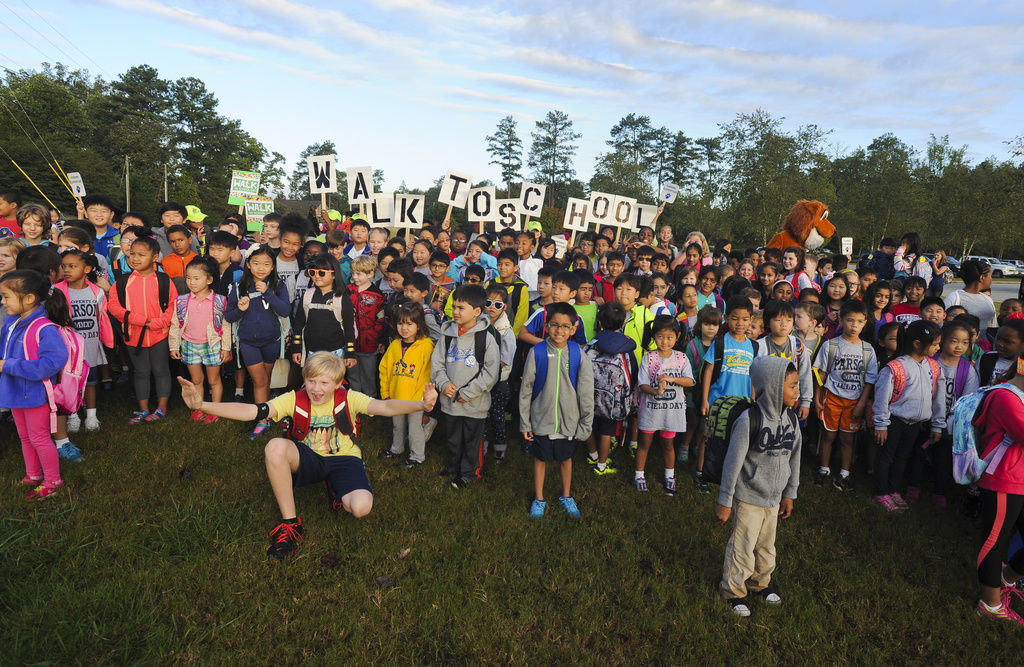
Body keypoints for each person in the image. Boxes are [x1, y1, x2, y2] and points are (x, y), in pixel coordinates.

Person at [179, 351, 437, 560]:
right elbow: (252, 411)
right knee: (275, 447)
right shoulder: (295, 398)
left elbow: (384, 406)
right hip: (308, 457)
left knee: (359, 507)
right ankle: (291, 524)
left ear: (337, 383)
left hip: (344, 459)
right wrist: (202, 405)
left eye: (324, 382)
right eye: (311, 381)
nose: (316, 388)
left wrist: (421, 405)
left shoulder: (349, 398)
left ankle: (335, 488)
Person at [715, 356, 801, 617]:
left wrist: (790, 493)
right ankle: (733, 591)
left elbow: (795, 458)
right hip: (748, 496)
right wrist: (725, 500)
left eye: (797, 386)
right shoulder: (748, 420)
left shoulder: (792, 421)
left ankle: (759, 583)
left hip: (773, 498)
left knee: (766, 546)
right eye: (792, 386)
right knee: (743, 546)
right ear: (774, 386)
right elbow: (733, 462)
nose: (798, 392)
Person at [0, 269, 72, 498]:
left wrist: (8, 366)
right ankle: (33, 474)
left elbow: (52, 363)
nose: (3, 302)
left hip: (35, 394)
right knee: (24, 436)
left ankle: (53, 480)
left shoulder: (44, 328)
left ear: (29, 298)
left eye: (6, 296)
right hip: (15, 392)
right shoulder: (12, 323)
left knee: (39, 437)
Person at [520, 302, 594, 518]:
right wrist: (525, 422)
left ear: (573, 329)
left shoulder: (579, 354)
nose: (559, 330)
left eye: (565, 326)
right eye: (554, 325)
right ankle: (539, 498)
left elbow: (587, 392)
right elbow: (526, 390)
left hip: (569, 421)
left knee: (565, 459)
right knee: (540, 459)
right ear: (546, 325)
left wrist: (585, 425)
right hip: (541, 420)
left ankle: (566, 495)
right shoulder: (538, 351)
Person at [970, 343, 1024, 624]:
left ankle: (1007, 578)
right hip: (1005, 479)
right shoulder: (1007, 398)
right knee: (995, 540)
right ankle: (990, 604)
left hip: (1020, 479)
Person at [431, 284, 500, 488]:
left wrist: (468, 392)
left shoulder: (486, 337)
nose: (455, 311)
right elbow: (437, 365)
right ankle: (454, 466)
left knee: (472, 439)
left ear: (477, 312)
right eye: (455, 307)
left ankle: (470, 472)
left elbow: (491, 372)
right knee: (453, 437)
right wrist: (443, 384)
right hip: (450, 401)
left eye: (462, 308)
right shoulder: (447, 334)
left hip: (474, 403)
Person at [872, 321, 945, 512]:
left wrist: (937, 425)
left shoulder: (934, 367)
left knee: (902, 457)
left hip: (915, 425)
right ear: (917, 344)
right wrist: (880, 424)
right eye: (935, 344)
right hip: (893, 422)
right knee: (886, 457)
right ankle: (880, 493)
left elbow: (938, 398)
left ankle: (893, 490)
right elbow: (881, 397)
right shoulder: (895, 367)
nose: (939, 348)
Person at [107, 236, 178, 424]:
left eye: (141, 255)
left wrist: (158, 323)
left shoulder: (163, 280)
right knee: (140, 372)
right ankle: (143, 409)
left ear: (154, 257)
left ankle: (161, 407)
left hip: (159, 335)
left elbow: (173, 305)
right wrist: (140, 320)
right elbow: (114, 306)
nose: (135, 259)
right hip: (133, 335)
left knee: (161, 370)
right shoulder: (123, 282)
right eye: (132, 254)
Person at [812, 300, 878, 490]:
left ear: (865, 322)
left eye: (859, 321)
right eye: (850, 320)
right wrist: (817, 399)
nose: (854, 325)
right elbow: (821, 374)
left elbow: (869, 381)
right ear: (841, 320)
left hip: (853, 401)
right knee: (828, 435)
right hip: (831, 397)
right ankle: (824, 468)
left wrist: (861, 404)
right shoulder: (830, 345)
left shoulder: (868, 350)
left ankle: (845, 472)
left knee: (847, 438)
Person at [225, 246, 291, 438]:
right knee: (259, 380)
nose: (260, 268)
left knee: (266, 379)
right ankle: (262, 420)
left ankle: (265, 409)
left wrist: (268, 293)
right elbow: (229, 317)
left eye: (266, 264)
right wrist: (240, 309)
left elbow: (285, 310)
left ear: (272, 267)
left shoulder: (278, 286)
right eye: (255, 263)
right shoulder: (239, 287)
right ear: (248, 264)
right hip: (248, 342)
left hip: (271, 341)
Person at [53, 249, 113, 432]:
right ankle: (72, 415)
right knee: (69, 382)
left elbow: (102, 317)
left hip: (91, 344)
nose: (67, 270)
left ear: (87, 269)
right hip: (68, 349)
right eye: (64, 266)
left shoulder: (96, 292)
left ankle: (91, 416)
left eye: (72, 266)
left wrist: (106, 340)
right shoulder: (57, 291)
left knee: (91, 382)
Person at [635, 316, 694, 494]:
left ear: (677, 337)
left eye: (669, 337)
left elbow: (690, 381)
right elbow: (642, 384)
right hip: (651, 410)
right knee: (644, 443)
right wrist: (656, 392)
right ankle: (639, 475)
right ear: (654, 336)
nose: (664, 341)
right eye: (660, 337)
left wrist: (671, 379)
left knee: (668, 444)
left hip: (672, 412)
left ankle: (670, 475)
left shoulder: (682, 358)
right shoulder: (649, 358)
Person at [169, 257, 231, 423]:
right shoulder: (182, 301)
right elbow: (175, 324)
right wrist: (174, 346)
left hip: (212, 345)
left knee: (213, 380)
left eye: (196, 278)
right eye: (188, 278)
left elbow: (225, 326)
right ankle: (199, 408)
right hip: (189, 345)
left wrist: (226, 348)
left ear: (209, 279)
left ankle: (215, 409)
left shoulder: (219, 300)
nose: (191, 282)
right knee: (196, 380)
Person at [378, 302, 435, 468]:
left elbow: (427, 374)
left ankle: (417, 456)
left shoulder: (426, 346)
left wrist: (420, 399)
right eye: (400, 323)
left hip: (415, 399)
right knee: (397, 426)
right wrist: (385, 393)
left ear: (419, 325)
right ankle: (397, 448)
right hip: (396, 396)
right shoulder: (395, 345)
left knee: (414, 429)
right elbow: (385, 369)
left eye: (409, 324)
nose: (404, 328)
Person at [290, 254, 356, 366]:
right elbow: (299, 324)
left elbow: (349, 328)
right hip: (311, 352)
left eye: (321, 273)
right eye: (312, 272)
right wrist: (296, 348)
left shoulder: (342, 298)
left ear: (334, 274)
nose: (317, 276)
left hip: (336, 352)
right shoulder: (307, 295)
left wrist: (350, 354)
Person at [484, 286, 516, 462]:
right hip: (480, 380)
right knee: (480, 415)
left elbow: (506, 359)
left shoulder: (506, 331)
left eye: (497, 304)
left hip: (498, 381)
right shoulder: (479, 324)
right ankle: (481, 444)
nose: (491, 308)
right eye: (488, 303)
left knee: (497, 416)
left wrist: (486, 363)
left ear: (504, 307)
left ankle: (500, 448)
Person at [348, 255, 387, 398]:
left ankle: (370, 403)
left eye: (359, 274)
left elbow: (381, 320)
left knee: (369, 374)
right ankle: (355, 401)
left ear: (370, 274)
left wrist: (379, 340)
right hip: (350, 344)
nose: (355, 277)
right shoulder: (347, 291)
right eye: (353, 273)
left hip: (369, 345)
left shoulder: (377, 295)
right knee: (352, 373)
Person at [945, 259, 996, 331]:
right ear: (981, 278)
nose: (991, 279)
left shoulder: (988, 299)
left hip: (985, 342)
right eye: (990, 276)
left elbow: (993, 326)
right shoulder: (955, 297)